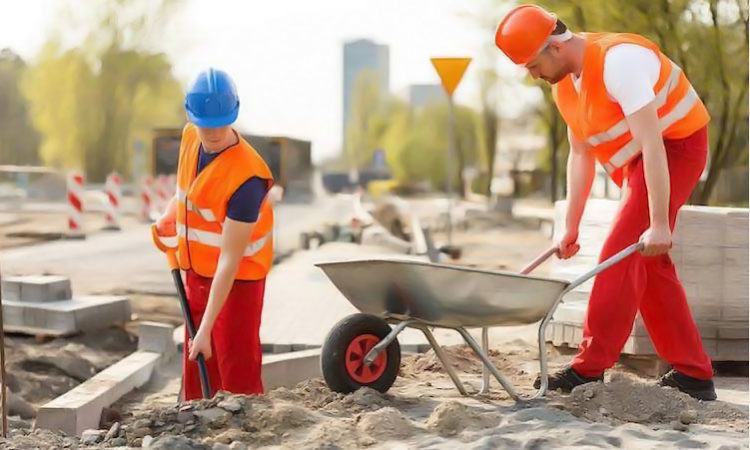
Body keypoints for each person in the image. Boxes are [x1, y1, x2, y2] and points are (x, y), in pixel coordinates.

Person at [495, 4, 716, 400]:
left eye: (532, 66)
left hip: (676, 147)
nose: (532, 76)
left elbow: (654, 145)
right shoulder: (564, 84)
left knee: (620, 251)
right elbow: (580, 155)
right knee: (647, 262)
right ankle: (693, 375)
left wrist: (659, 223)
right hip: (641, 159)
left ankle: (589, 367)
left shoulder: (620, 63)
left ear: (555, 48)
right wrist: (571, 226)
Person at [156, 68, 274, 400]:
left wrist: (206, 329)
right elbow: (187, 194)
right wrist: (168, 217)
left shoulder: (247, 178)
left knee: (235, 371)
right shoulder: (190, 138)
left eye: (221, 123)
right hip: (196, 273)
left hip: (238, 283)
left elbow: (230, 261)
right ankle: (195, 420)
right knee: (197, 365)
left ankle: (245, 430)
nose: (213, 133)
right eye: (206, 125)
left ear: (233, 115)